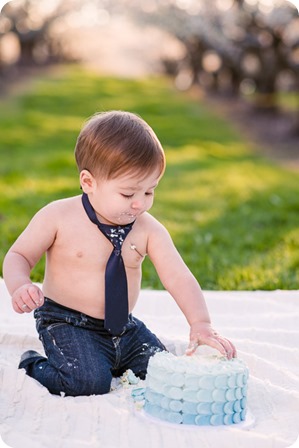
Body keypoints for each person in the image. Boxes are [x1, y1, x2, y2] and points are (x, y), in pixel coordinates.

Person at [3, 110, 236, 397]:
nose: (140, 204)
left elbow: (178, 277)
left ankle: (110, 358)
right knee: (87, 381)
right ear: (89, 183)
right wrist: (20, 285)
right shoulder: (58, 216)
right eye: (128, 194)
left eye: (150, 191)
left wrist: (201, 324)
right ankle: (33, 363)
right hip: (66, 321)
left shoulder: (148, 229)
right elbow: (19, 256)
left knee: (165, 373)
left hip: (122, 326)